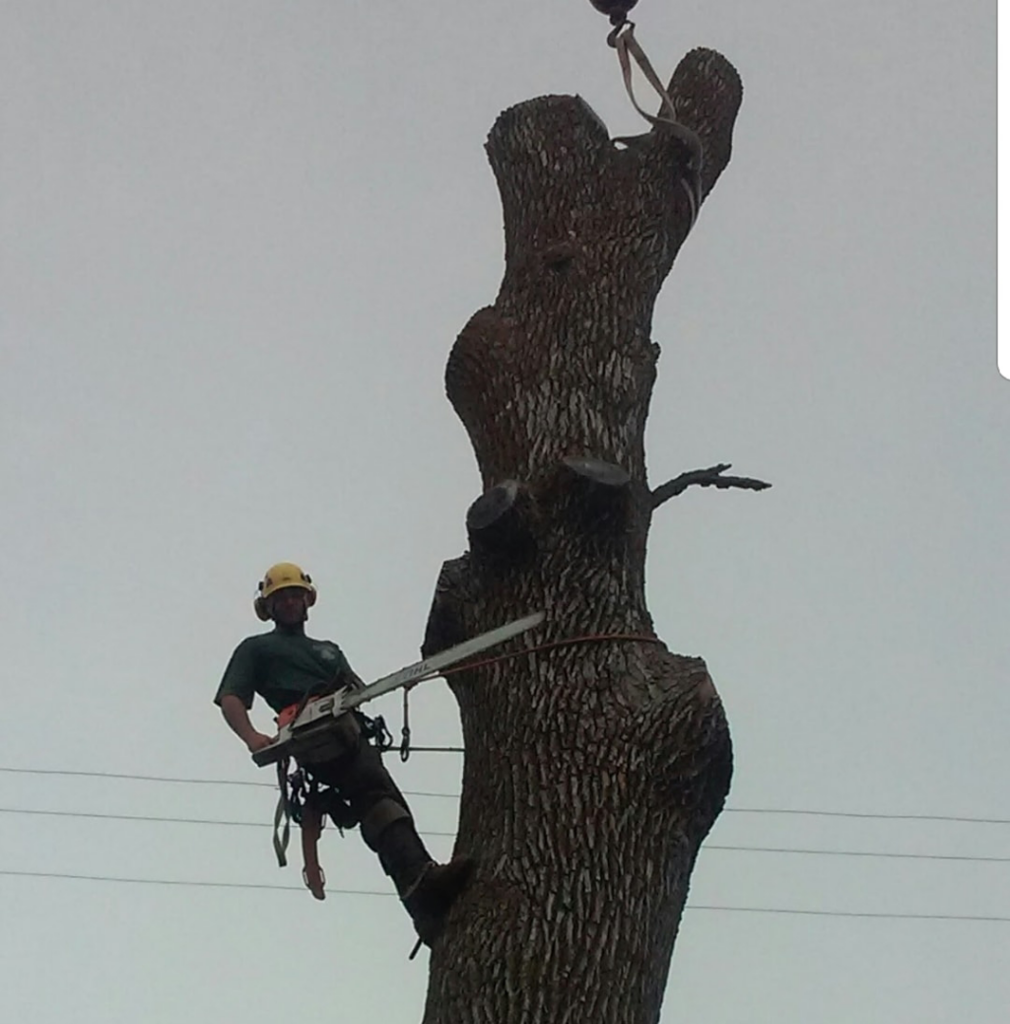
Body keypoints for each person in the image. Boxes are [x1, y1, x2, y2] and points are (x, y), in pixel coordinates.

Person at [215, 561, 471, 945]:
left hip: (348, 732)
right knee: (377, 796)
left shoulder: (329, 651)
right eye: (280, 597)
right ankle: (422, 886)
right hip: (311, 736)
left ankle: (422, 901)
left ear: (308, 600)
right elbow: (231, 698)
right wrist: (253, 737)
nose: (289, 602)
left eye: (294, 595)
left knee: (382, 798)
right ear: (267, 607)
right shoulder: (257, 649)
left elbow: (357, 692)